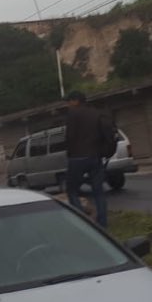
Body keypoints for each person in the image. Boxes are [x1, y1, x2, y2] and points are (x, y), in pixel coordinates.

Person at [64, 90, 115, 228]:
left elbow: (70, 137)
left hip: (78, 157)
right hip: (95, 157)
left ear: (75, 101)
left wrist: (69, 154)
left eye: (69, 101)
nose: (68, 104)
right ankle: (103, 223)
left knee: (72, 190)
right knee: (98, 191)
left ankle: (84, 223)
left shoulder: (73, 114)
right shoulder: (96, 113)